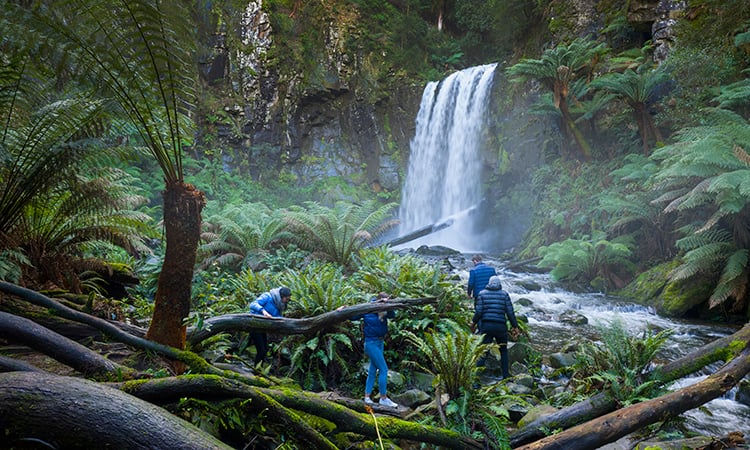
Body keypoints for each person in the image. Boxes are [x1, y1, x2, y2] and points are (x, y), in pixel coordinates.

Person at [341, 292, 399, 408]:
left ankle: (367, 397)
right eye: (382, 301)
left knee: (373, 369)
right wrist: (343, 310)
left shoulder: (384, 311)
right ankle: (383, 398)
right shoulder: (368, 309)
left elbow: (393, 315)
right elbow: (353, 317)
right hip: (371, 343)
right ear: (378, 301)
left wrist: (388, 305)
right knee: (384, 369)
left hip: (380, 342)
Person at [472, 275, 519, 379]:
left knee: (484, 351)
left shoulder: (482, 294)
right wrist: (515, 326)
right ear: (499, 284)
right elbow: (510, 312)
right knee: (503, 351)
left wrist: (473, 323)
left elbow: (479, 312)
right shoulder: (504, 294)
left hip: (487, 326)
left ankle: (476, 378)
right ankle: (506, 377)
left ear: (489, 283)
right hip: (500, 327)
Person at [248, 286, 291, 365]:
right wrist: (263, 311)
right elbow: (253, 304)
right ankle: (256, 371)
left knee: (265, 350)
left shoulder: (280, 305)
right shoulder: (267, 296)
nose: (287, 301)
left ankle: (259, 370)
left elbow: (277, 317)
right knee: (261, 350)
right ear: (281, 296)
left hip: (263, 328)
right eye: (287, 299)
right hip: (254, 325)